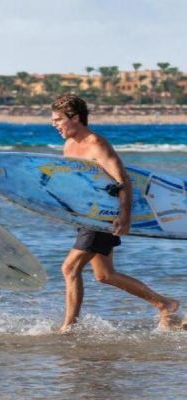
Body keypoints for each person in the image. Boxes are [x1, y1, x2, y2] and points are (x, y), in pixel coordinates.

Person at [51, 94, 181, 332]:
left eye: (58, 119)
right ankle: (165, 304)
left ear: (75, 117)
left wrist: (125, 215)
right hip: (87, 215)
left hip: (104, 215)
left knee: (69, 268)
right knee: (105, 275)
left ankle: (69, 328)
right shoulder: (69, 145)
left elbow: (123, 180)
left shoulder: (96, 144)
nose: (54, 124)